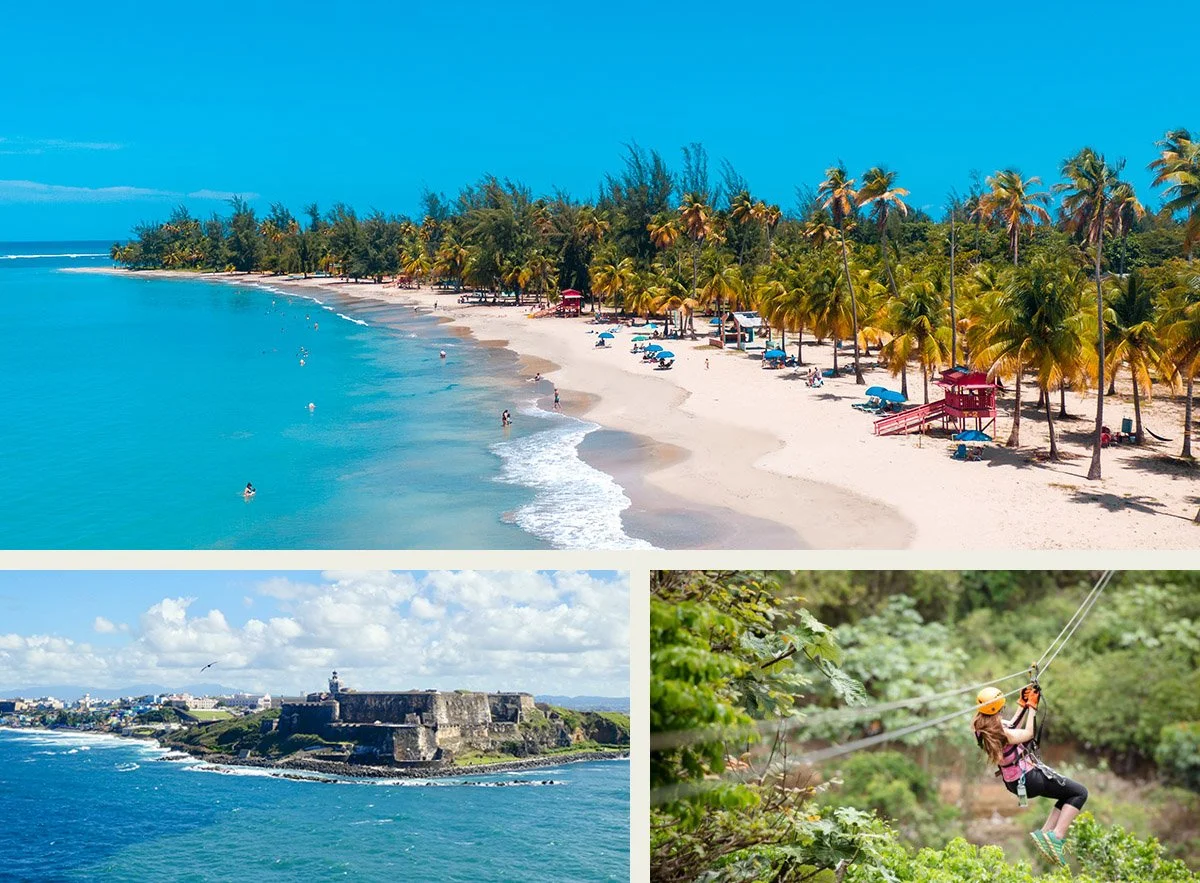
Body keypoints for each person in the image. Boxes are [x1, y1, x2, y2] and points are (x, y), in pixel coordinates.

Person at [973, 686, 1087, 867]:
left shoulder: (981, 729)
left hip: (1013, 781)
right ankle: (1056, 836)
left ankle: (1046, 832)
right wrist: (1032, 709)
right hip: (1028, 778)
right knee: (1080, 793)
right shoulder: (1002, 732)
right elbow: (1027, 734)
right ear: (998, 708)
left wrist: (1023, 704)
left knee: (1067, 794)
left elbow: (1010, 726)